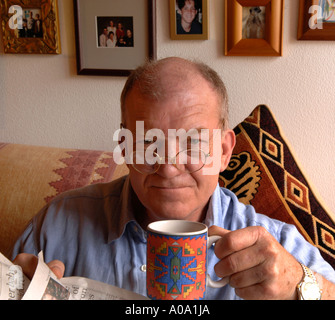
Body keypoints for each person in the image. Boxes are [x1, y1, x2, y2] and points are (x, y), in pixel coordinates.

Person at [11, 57, 335, 300]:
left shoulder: (277, 245)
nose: (167, 166)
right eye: (148, 143)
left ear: (223, 152)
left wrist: (301, 285)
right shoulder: (56, 225)